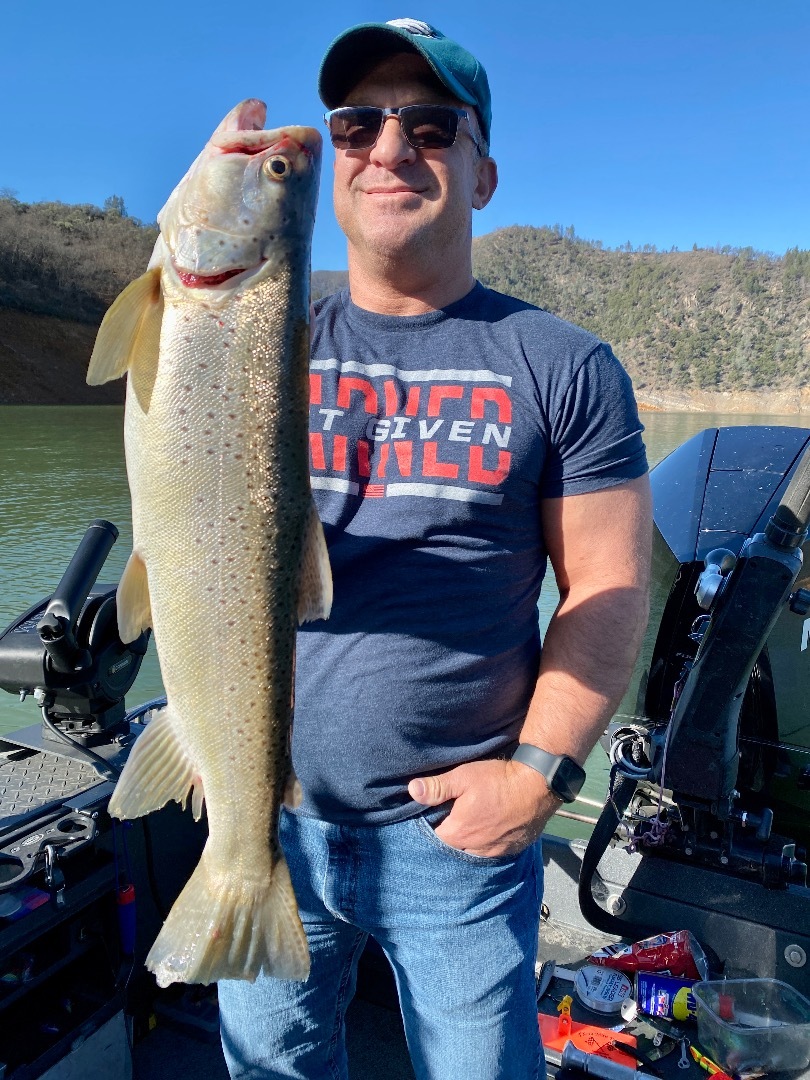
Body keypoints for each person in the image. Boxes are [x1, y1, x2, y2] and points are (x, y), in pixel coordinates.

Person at [218, 18, 651, 1080]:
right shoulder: (256, 338)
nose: (390, 147)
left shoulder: (563, 364)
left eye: (431, 124)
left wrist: (540, 777)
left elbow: (605, 585)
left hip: (459, 840)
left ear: (483, 171)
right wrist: (228, 199)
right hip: (262, 815)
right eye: (359, 123)